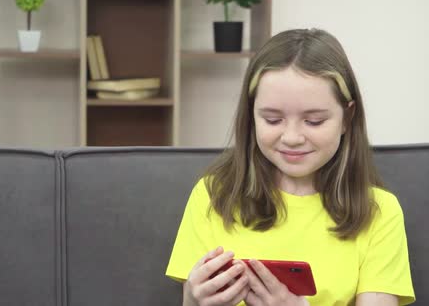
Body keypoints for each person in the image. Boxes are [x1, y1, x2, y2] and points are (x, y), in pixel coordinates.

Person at [165, 28, 415, 306]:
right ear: (252, 117)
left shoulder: (378, 212)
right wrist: (194, 298)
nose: (292, 138)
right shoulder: (214, 195)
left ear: (347, 117)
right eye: (273, 120)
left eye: (314, 121)